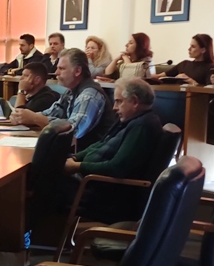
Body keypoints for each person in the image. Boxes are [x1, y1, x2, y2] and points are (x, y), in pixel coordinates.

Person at [62, 78, 164, 221]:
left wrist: (77, 166)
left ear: (135, 102)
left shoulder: (142, 127)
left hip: (105, 197)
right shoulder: (130, 120)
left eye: (118, 101)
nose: (114, 108)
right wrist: (75, 157)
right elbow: (100, 144)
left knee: (46, 185)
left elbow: (117, 168)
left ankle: (45, 233)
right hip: (93, 184)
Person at [10, 48, 114, 149]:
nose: (56, 72)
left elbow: (72, 131)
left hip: (86, 156)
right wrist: (23, 116)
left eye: (62, 69)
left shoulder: (89, 95)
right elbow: (50, 113)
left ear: (77, 71)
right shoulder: (70, 92)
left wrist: (34, 118)